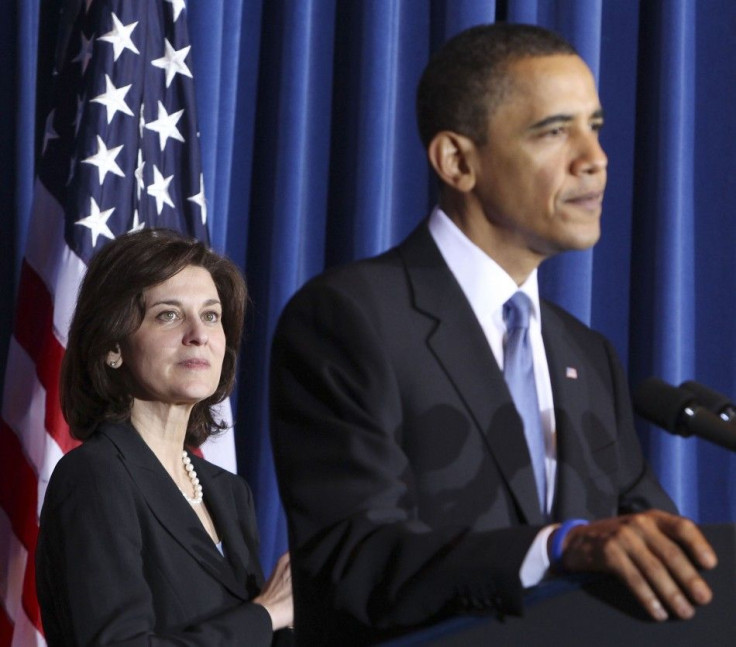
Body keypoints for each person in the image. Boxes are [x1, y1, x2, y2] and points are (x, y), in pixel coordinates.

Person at [269, 23, 717, 645]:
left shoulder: (587, 355)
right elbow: (355, 562)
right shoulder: (349, 318)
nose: (595, 158)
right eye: (556, 131)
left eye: (596, 126)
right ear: (458, 160)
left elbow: (659, 551)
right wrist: (558, 547)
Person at [36, 229, 293, 645]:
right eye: (168, 315)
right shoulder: (95, 478)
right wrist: (266, 615)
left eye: (211, 315)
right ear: (113, 346)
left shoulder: (228, 493)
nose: (199, 334)